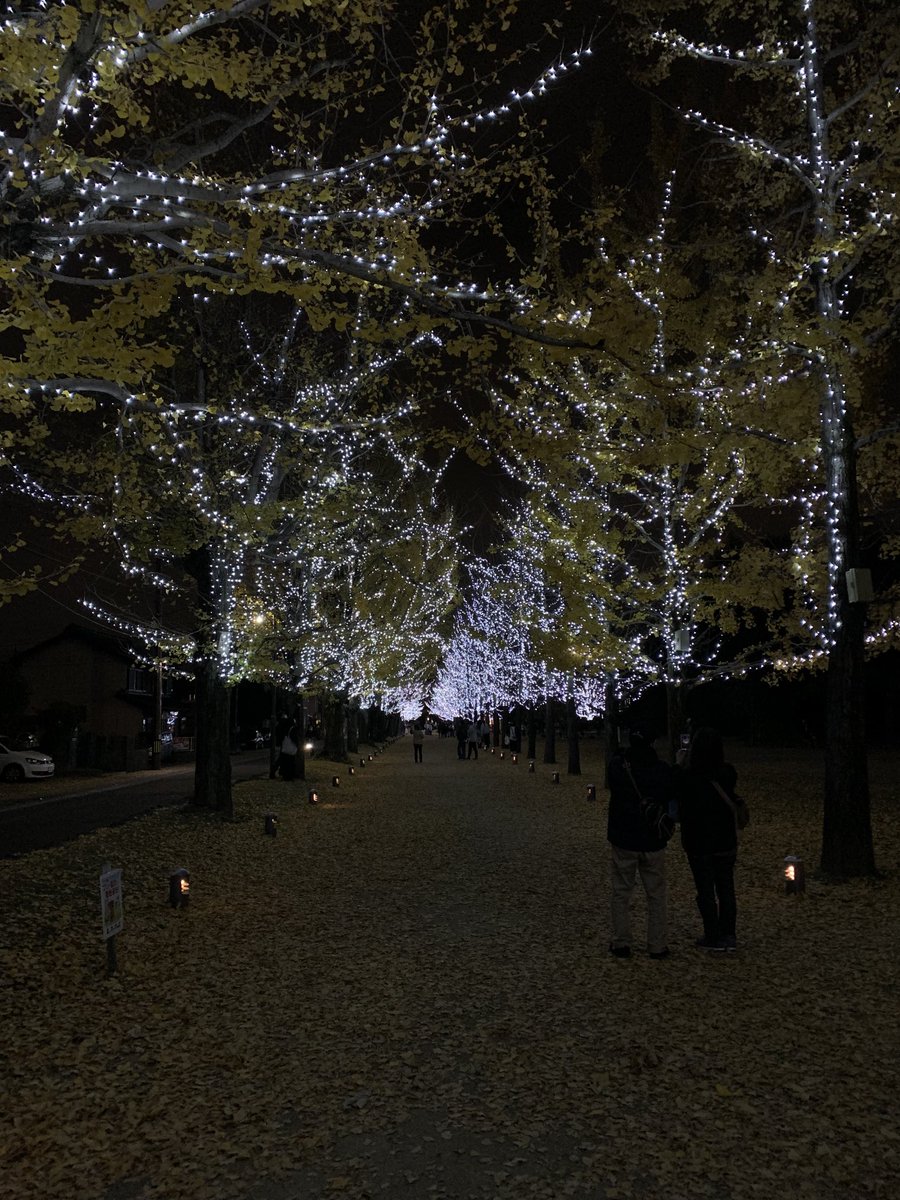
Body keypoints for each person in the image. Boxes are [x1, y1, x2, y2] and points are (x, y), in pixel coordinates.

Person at [606, 722, 676, 960]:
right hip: (652, 838)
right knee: (656, 894)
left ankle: (621, 942)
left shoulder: (619, 767)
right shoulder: (661, 769)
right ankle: (657, 944)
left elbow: (612, 781)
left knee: (621, 891)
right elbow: (670, 794)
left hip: (624, 837)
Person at [676, 726, 740, 952]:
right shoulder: (728, 773)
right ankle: (728, 934)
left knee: (705, 890)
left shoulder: (689, 777)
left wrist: (680, 764)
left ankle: (712, 934)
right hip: (725, 840)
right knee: (726, 887)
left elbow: (679, 796)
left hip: (699, 842)